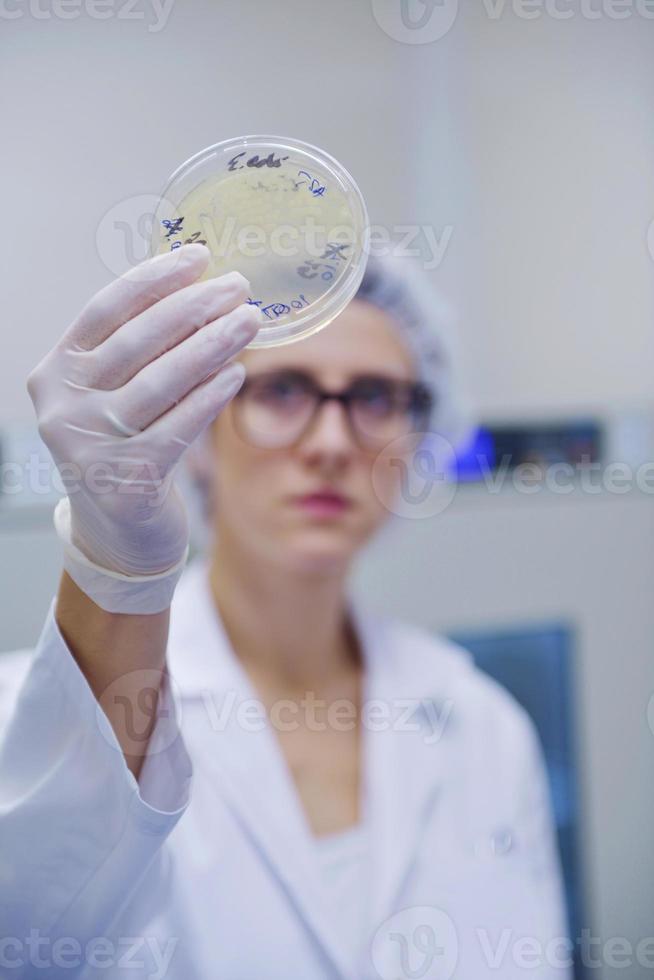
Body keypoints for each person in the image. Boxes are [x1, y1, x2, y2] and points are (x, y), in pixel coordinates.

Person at [0, 244, 570, 979]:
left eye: (373, 398)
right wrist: (114, 571)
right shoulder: (27, 718)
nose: (332, 443)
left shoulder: (485, 729)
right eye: (283, 392)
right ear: (199, 419)